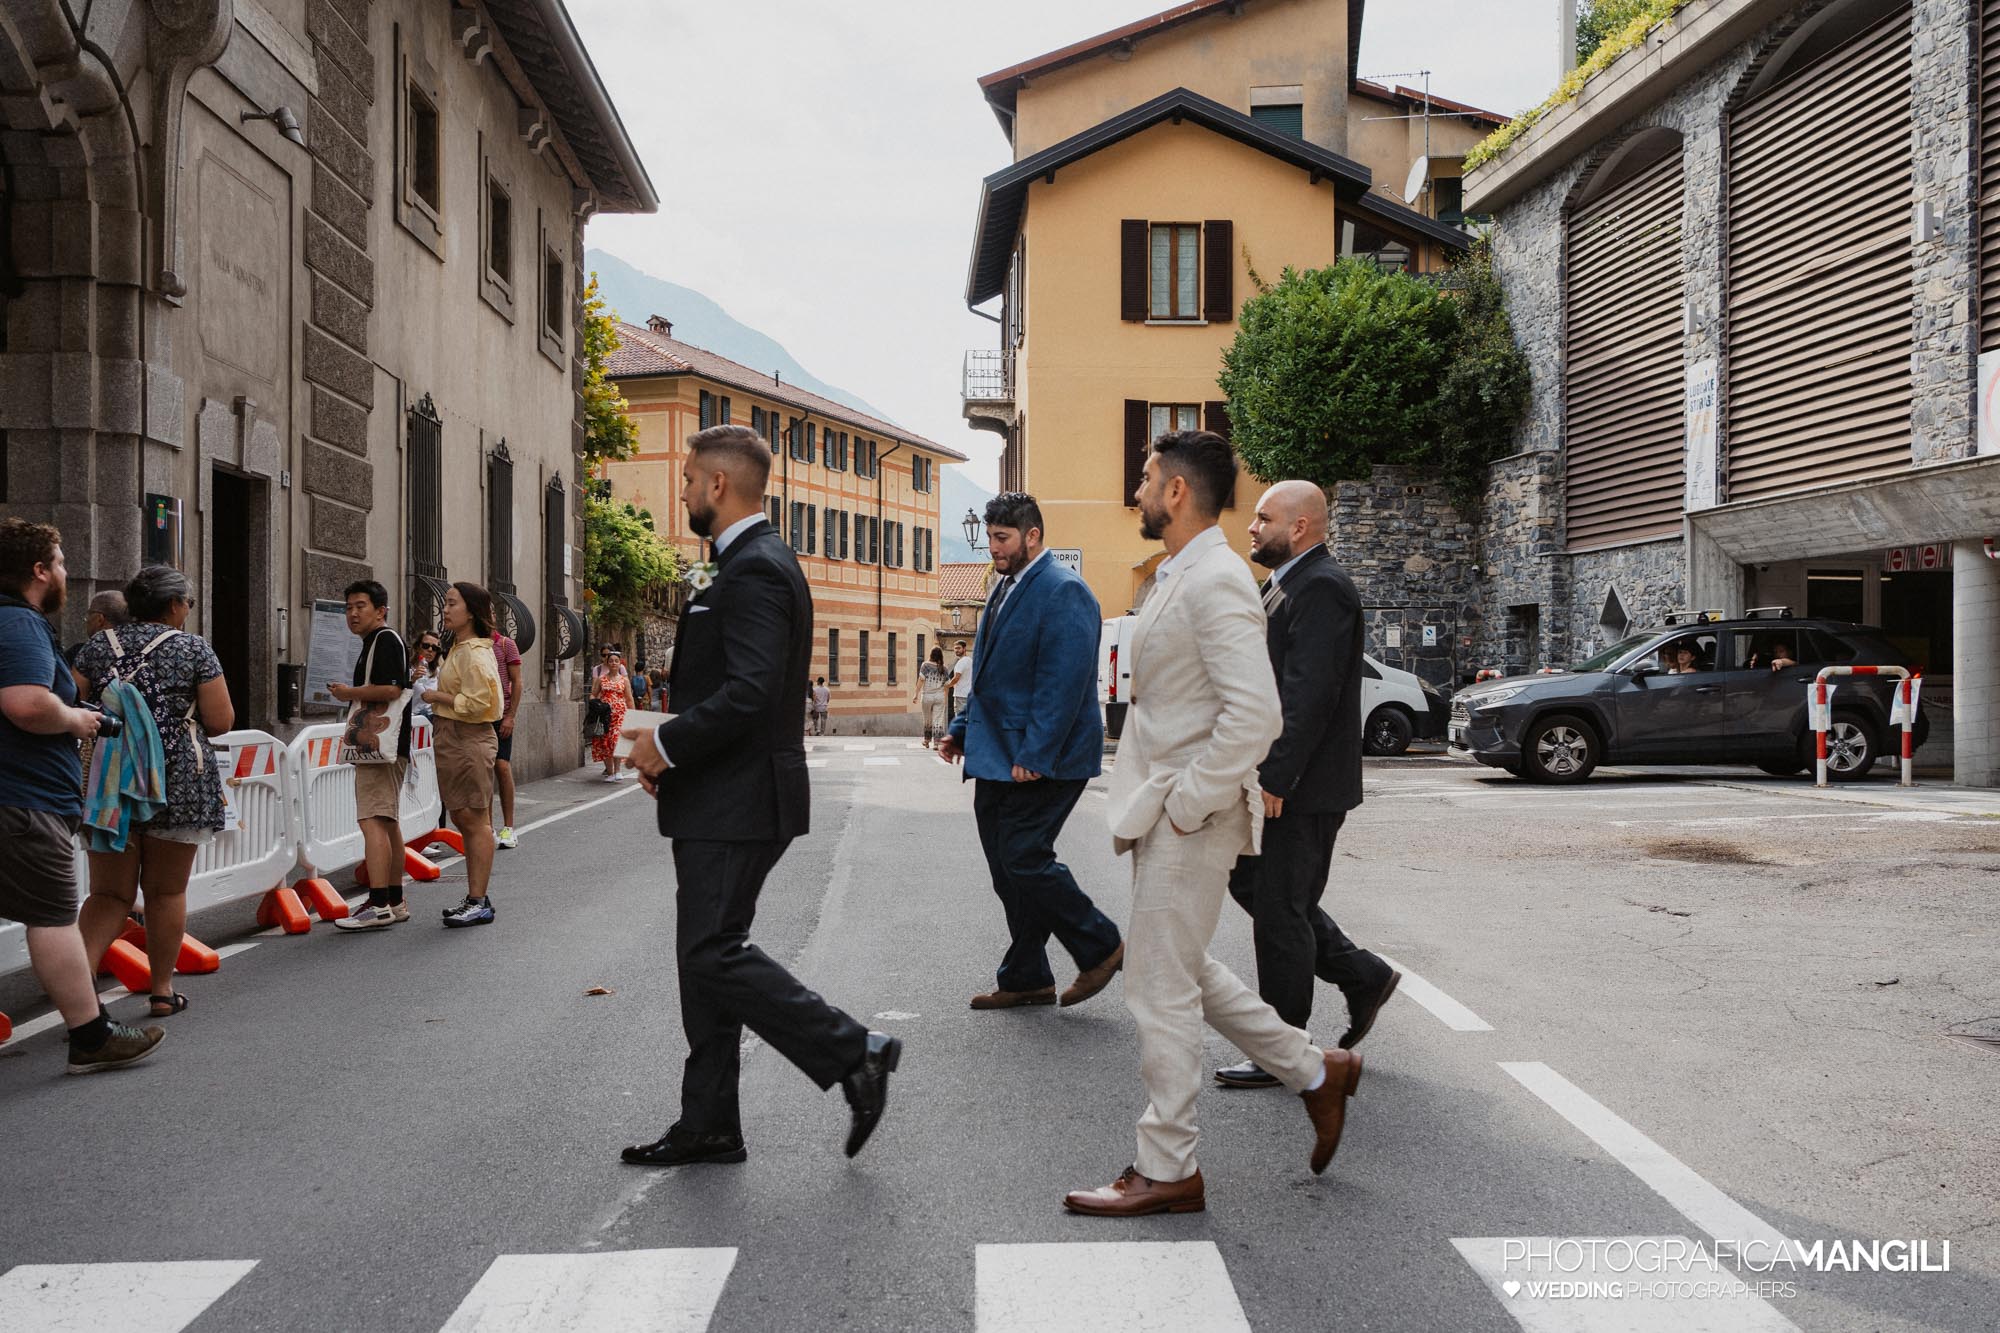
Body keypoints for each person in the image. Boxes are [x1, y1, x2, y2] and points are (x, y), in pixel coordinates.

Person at [1071, 431, 1359, 1218]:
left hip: (1188, 815)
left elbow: (1257, 711)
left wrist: (1193, 798)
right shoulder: (1180, 572)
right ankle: (1313, 1068)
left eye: (1144, 477)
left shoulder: (1218, 578)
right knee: (1183, 968)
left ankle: (1169, 1165)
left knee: (1157, 987)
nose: (1136, 489)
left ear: (1175, 492)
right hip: (1163, 807)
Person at [619, 423, 899, 1168]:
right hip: (718, 793)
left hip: (739, 800)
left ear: (717, 484)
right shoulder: (732, 565)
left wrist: (669, 743)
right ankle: (708, 1121)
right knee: (702, 957)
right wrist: (668, 754)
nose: (679, 490)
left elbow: (750, 692)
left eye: (685, 478)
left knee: (711, 951)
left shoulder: (757, 570)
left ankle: (854, 1050)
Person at [1214, 481, 1401, 1089]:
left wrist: (1276, 775)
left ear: (1298, 527)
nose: (1251, 527)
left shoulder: (1321, 587)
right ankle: (1361, 973)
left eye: (1263, 518)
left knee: (1280, 913)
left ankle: (1284, 1047)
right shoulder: (1289, 583)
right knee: (1263, 892)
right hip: (1288, 779)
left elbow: (1309, 694)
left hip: (1303, 785)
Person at [940, 493, 1121, 1012]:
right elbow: (990, 675)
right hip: (996, 752)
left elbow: (1061, 685)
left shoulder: (1064, 591)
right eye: (991, 537)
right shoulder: (1004, 588)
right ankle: (1027, 977)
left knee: (1023, 856)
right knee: (1006, 867)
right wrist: (960, 729)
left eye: (1002, 538)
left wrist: (1036, 754)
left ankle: (1102, 946)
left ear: (1033, 536)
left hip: (1047, 758)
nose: (993, 548)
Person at [0, 519, 162, 1073]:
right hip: (23, 799)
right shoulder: (20, 623)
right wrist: (75, 719)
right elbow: (25, 703)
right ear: (39, 571)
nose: (67, 571)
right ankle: (91, 1036)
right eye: (62, 561)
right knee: (52, 917)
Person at [73, 565, 235, 1018]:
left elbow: (71, 701)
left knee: (108, 894)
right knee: (165, 893)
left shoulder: (98, 646)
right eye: (188, 602)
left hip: (108, 782)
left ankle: (79, 990)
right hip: (176, 781)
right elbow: (221, 722)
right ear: (173, 606)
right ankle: (162, 991)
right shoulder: (193, 649)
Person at [329, 581, 414, 931]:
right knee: (387, 820)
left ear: (381, 610)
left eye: (360, 606)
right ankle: (394, 900)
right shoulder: (377, 641)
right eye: (348, 606)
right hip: (387, 746)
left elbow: (393, 688)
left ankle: (377, 904)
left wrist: (349, 692)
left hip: (379, 746)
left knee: (372, 820)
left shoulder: (385, 640)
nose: (353, 613)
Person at [424, 583, 504, 928]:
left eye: (452, 603)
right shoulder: (460, 647)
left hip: (467, 738)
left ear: (470, 610)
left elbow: (482, 704)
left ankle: (478, 899)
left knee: (474, 820)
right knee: (465, 818)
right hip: (454, 738)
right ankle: (475, 897)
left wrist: (436, 698)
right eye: (445, 603)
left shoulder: (473, 652)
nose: (445, 609)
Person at [492, 629, 523, 847]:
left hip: (500, 713)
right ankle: (486, 828)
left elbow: (517, 681)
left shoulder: (505, 644)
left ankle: (508, 827)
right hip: (476, 716)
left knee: (502, 766)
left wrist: (510, 716)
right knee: (480, 771)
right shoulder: (468, 643)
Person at [591, 647, 633, 781]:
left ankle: (618, 770)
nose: (614, 663)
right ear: (607, 663)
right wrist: (595, 704)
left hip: (620, 714)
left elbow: (629, 698)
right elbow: (593, 694)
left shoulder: (624, 681)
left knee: (616, 740)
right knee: (605, 742)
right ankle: (610, 773)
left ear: (620, 664)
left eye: (616, 661)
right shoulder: (601, 679)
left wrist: (633, 714)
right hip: (605, 715)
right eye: (611, 661)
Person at [65, 589, 128, 667]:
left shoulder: (83, 652)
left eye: (89, 614)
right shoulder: (138, 646)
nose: (86, 620)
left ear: (100, 619)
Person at [914, 648, 950, 748]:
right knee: (938, 720)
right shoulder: (944, 668)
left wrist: (916, 694)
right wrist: (945, 697)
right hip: (940, 696)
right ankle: (937, 743)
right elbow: (947, 684)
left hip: (927, 696)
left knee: (927, 719)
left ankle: (926, 740)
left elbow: (921, 680)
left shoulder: (925, 665)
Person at [409, 632, 441, 720]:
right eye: (426, 646)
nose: (430, 650)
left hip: (433, 717)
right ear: (418, 647)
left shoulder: (438, 671)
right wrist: (412, 680)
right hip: (414, 718)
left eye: (434, 648)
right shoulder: (407, 669)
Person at [948, 639, 971, 725]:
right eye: (955, 648)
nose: (956, 650)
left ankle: (960, 737)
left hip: (960, 695)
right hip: (968, 694)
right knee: (967, 718)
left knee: (960, 719)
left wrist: (947, 686)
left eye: (959, 648)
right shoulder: (970, 660)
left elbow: (956, 678)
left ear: (964, 649)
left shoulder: (961, 662)